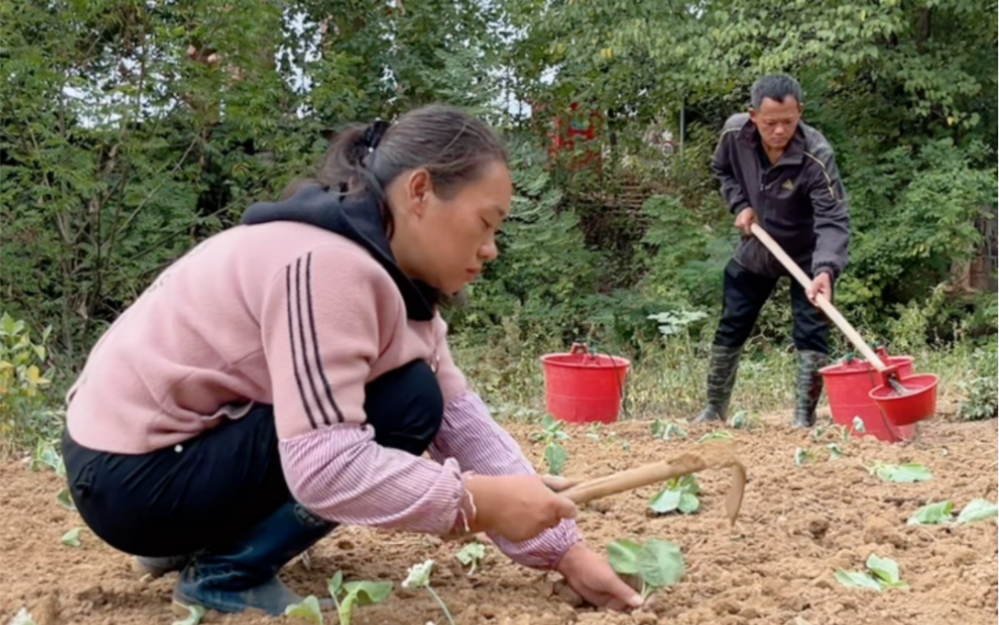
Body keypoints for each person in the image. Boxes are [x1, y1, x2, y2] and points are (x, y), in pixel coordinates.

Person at [60, 104, 644, 616]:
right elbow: (325, 466)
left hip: (157, 462)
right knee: (406, 401)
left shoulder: (388, 279)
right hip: (129, 479)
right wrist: (473, 504)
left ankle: (195, 539)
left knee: (419, 396)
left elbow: (462, 422)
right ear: (419, 191)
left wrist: (565, 551)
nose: (490, 248)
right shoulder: (328, 265)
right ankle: (223, 572)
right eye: (485, 224)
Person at [693, 74, 850, 428]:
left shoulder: (816, 154)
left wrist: (825, 269)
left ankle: (802, 419)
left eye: (788, 122)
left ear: (800, 114)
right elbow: (723, 171)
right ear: (753, 117)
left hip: (808, 254)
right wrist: (740, 205)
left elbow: (833, 219)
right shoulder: (734, 135)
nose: (779, 131)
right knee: (733, 322)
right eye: (770, 123)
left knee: (812, 329)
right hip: (757, 247)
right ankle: (713, 409)